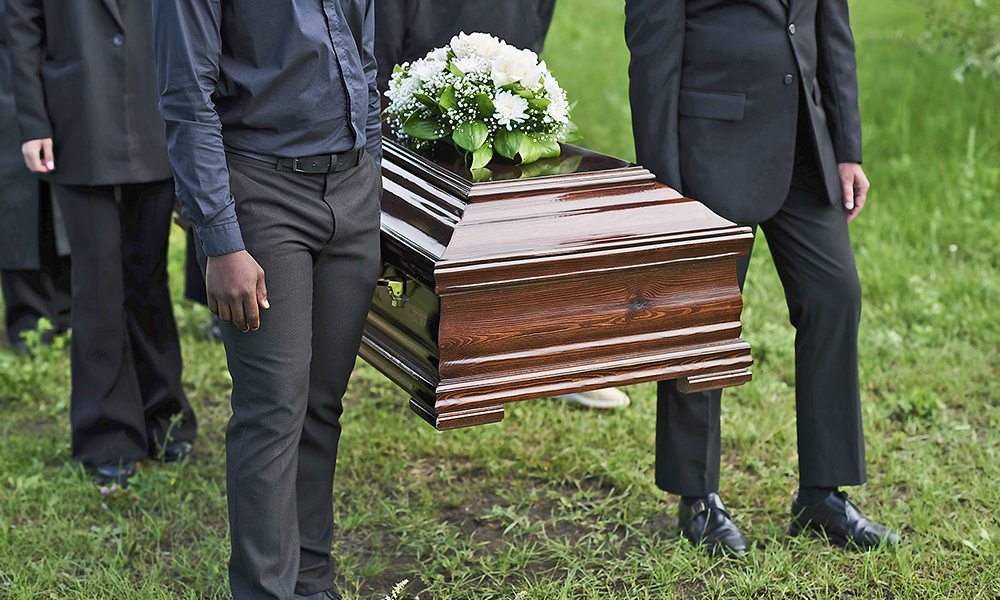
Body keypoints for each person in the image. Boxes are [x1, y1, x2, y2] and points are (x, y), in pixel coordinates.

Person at [625, 0, 900, 555]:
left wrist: (846, 147)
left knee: (835, 296)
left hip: (805, 145)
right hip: (709, 147)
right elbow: (652, 55)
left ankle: (823, 495)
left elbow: (831, 29)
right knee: (704, 317)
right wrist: (663, 182)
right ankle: (697, 498)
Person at [152, 0, 382, 597]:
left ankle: (312, 583)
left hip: (354, 188)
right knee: (273, 410)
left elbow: (363, 50)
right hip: (262, 192)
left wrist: (373, 175)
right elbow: (186, 97)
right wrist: (222, 239)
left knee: (321, 404)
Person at [375, 0, 631, 411]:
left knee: (526, 222)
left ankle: (551, 357)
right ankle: (403, 342)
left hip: (506, 79)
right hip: (416, 84)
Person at [5, 0, 197, 484]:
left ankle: (164, 415)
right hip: (76, 117)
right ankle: (105, 434)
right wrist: (33, 124)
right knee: (96, 285)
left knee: (149, 278)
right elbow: (20, 25)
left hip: (156, 109)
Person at [0, 0, 71, 352]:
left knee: (65, 187)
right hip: (6, 74)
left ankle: (70, 307)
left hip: (60, 61)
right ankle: (29, 317)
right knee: (14, 199)